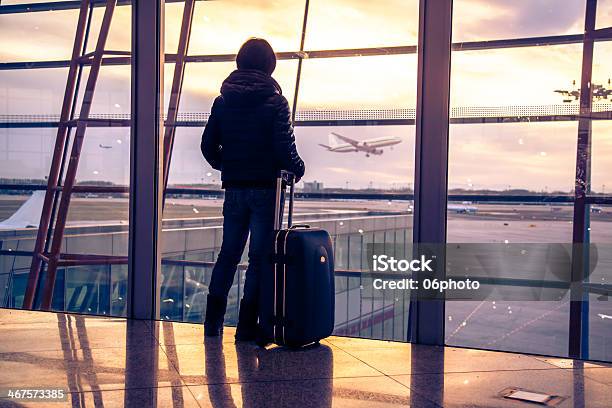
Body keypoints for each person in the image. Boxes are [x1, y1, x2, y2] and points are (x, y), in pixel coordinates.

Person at [200, 38, 305, 341]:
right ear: (269, 65)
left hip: (234, 188)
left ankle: (212, 323)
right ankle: (247, 325)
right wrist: (298, 167)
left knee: (228, 254)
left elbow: (208, 145)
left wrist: (228, 166)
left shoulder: (222, 101)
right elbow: (284, 147)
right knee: (259, 258)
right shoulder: (275, 102)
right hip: (264, 188)